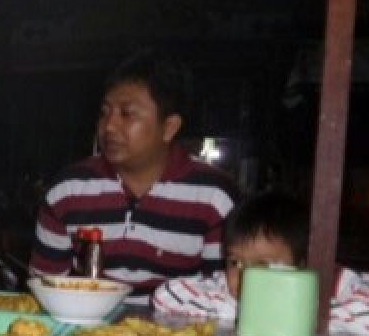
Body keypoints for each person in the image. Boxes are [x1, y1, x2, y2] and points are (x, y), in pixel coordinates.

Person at [28, 49, 239, 303]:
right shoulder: (68, 190)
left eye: (127, 114)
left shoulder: (214, 197)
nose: (109, 127)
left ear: (169, 127)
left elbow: (222, 299)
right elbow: (45, 290)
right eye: (105, 112)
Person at [152, 191, 369, 335]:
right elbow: (165, 296)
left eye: (263, 266)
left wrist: (299, 315)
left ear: (302, 267)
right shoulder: (225, 293)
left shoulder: (333, 287)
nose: (247, 277)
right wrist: (235, 312)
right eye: (236, 262)